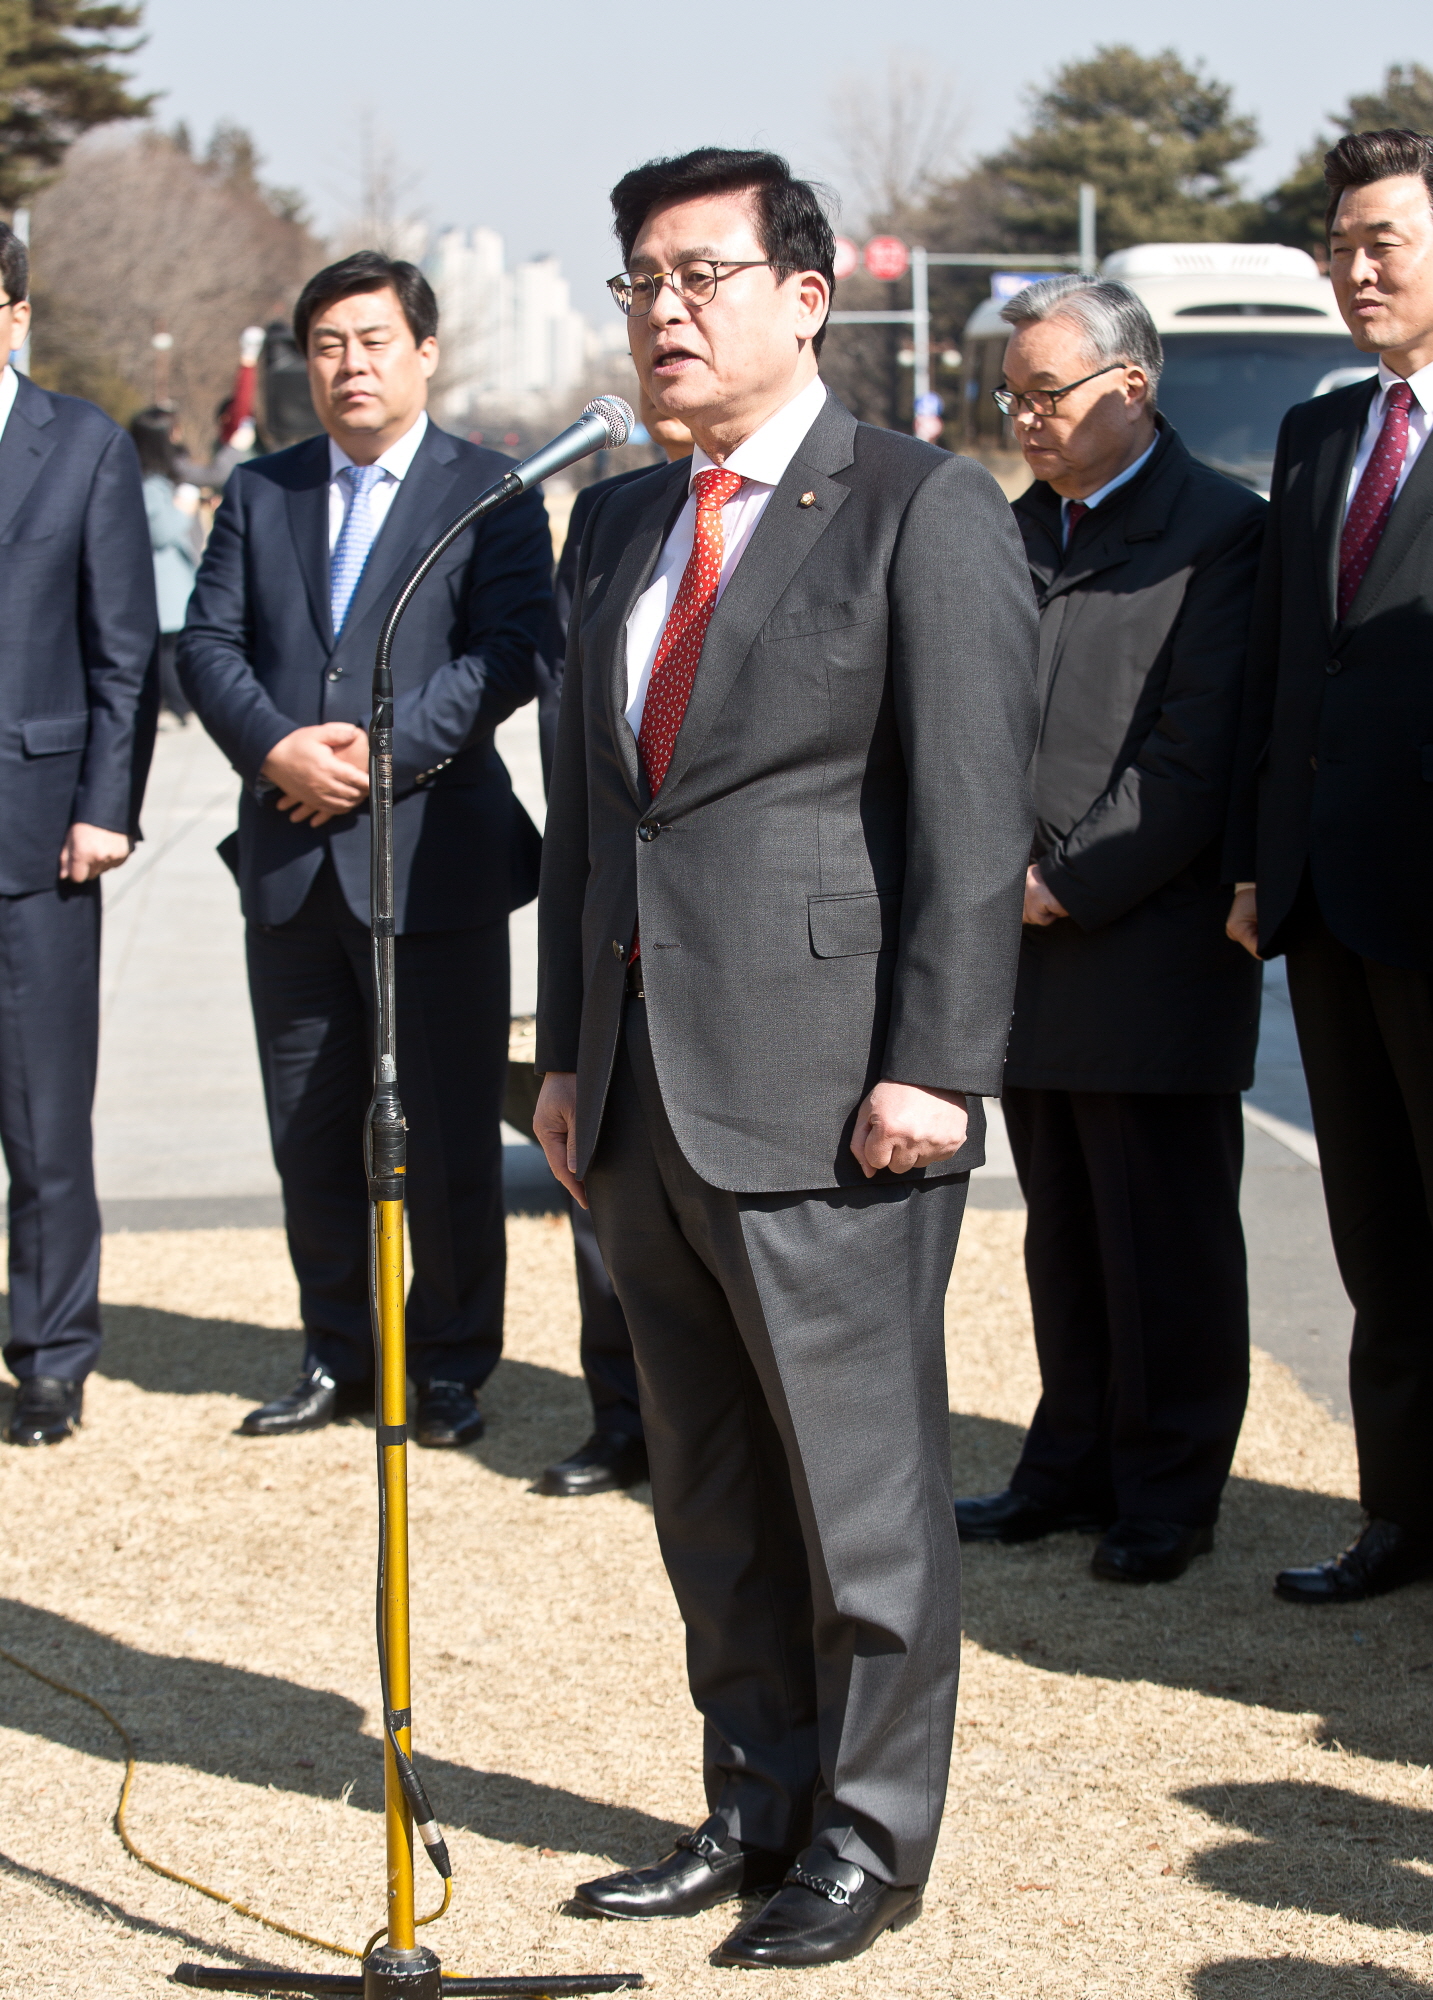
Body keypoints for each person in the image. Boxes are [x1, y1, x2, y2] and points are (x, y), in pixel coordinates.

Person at [534, 149, 1037, 1969]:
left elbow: (973, 825)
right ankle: (747, 1801)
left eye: (699, 276)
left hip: (838, 1100)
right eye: (636, 284)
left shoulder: (918, 507)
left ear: (804, 298)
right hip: (644, 1087)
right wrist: (563, 1050)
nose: (662, 313)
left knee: (860, 1498)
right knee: (713, 1484)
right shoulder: (611, 525)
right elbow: (596, 813)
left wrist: (937, 1066)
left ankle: (869, 1837)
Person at [180, 251, 551, 1447]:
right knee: (312, 1128)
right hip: (290, 869)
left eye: (374, 340)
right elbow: (206, 646)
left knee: (443, 1133)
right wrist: (279, 749)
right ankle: (337, 1353)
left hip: (433, 861)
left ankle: (444, 1363)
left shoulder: (490, 487)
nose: (350, 364)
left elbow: (514, 651)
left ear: (424, 352)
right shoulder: (262, 489)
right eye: (329, 344)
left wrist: (379, 757)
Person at [952, 277, 1265, 1586]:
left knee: (1163, 1237)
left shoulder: (1221, 536)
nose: (1024, 419)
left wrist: (1065, 882)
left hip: (1147, 945)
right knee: (1064, 1227)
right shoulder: (1009, 534)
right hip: (1018, 947)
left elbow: (1194, 755)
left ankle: (1167, 1488)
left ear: (1129, 388)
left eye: (1047, 394)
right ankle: (1067, 1461)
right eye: (1009, 397)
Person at [1226, 129, 1433, 1604]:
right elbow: (1288, 672)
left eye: (1385, 241)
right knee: (1377, 1234)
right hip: (1326, 903)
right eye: (1340, 244)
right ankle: (1400, 1516)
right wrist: (1257, 862)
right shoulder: (1319, 435)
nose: (1355, 269)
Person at [0, 222, 159, 1446]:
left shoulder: (83, 448)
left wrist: (106, 805)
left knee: (44, 1115)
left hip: (38, 834)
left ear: (14, 313)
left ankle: (51, 1351)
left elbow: (124, 653)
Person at [534, 387, 692, 1500]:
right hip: (613, 945)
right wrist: (556, 1042)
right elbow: (575, 745)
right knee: (610, 1216)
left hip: (753, 974)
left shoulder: (875, 498)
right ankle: (620, 1414)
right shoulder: (610, 514)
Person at [130, 407, 203, 722]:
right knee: (166, 652)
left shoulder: (155, 480)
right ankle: (179, 704)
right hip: (162, 584)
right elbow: (161, 533)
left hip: (171, 582)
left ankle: (177, 703)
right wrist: (185, 509)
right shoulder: (148, 484)